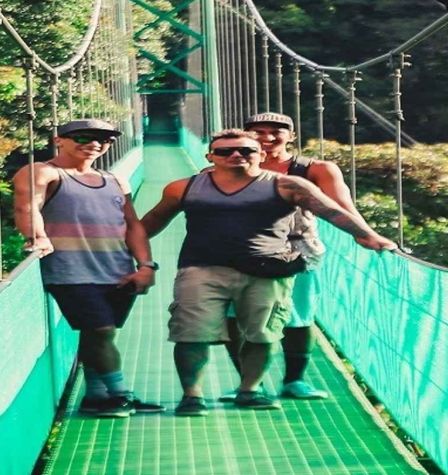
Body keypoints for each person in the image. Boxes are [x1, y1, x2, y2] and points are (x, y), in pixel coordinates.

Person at [141, 128, 396, 414]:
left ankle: (249, 390)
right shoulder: (183, 187)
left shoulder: (288, 185)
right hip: (201, 269)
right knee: (190, 333)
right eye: (225, 151)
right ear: (210, 156)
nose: (236, 155)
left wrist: (367, 236)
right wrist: (130, 255)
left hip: (267, 268)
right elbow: (152, 220)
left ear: (261, 155)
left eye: (246, 151)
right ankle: (192, 396)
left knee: (263, 334)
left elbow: (332, 211)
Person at [13, 118, 161, 418]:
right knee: (100, 331)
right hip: (71, 271)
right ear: (59, 141)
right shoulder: (43, 172)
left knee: (97, 337)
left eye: (103, 140)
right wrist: (37, 237)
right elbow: (27, 207)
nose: (94, 144)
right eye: (83, 137)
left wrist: (145, 265)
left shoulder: (116, 180)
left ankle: (96, 397)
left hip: (118, 269)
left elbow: (132, 225)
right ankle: (120, 394)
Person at [233, 111, 352, 400]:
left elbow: (343, 207)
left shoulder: (313, 169)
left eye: (277, 131)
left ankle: (294, 381)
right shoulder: (233, 163)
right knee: (236, 317)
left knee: (299, 314)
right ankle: (249, 383)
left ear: (292, 136)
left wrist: (370, 237)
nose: (268, 137)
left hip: (296, 248)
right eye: (258, 131)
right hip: (241, 248)